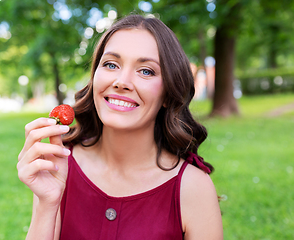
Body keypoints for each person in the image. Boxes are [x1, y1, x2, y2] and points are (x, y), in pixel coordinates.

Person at [17, 14, 223, 240]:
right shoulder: (59, 166)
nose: (121, 81)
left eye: (146, 71)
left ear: (168, 92)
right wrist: (47, 204)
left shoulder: (194, 187)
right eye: (111, 64)